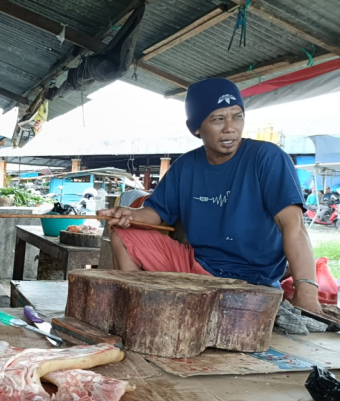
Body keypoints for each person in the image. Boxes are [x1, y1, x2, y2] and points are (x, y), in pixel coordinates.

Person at [98, 78, 322, 314]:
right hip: (196, 266)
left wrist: (306, 292)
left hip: (252, 278)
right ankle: (140, 313)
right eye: (218, 119)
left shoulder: (267, 157)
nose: (230, 127)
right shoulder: (185, 166)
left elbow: (294, 226)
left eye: (237, 116)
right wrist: (129, 214)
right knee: (124, 236)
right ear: (196, 127)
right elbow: (155, 213)